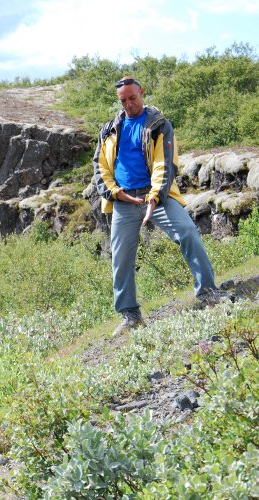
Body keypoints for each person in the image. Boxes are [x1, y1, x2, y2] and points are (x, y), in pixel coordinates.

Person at [93, 76, 229, 336]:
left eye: (133, 98)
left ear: (142, 93)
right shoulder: (109, 129)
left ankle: (210, 294)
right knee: (120, 258)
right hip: (123, 200)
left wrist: (154, 197)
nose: (129, 104)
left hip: (156, 197)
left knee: (187, 233)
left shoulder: (159, 125)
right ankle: (130, 315)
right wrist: (114, 193)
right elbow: (99, 166)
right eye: (123, 100)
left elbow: (164, 164)